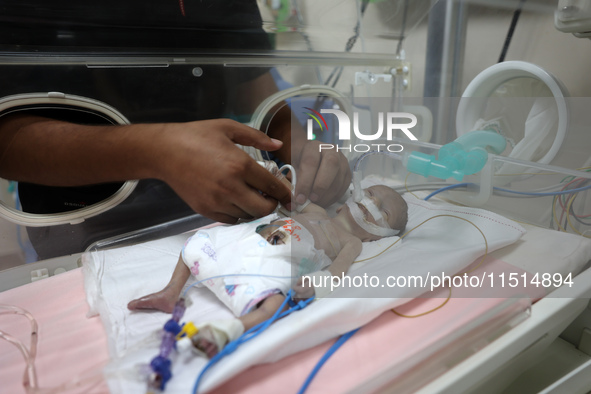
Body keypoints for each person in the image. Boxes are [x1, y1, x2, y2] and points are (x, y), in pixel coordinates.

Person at [0, 0, 352, 258]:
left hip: (222, 211)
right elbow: (7, 140)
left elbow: (254, 85)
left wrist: (302, 146)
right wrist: (157, 151)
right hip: (88, 219)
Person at [127, 183, 408, 358]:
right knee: (198, 243)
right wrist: (274, 176)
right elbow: (290, 194)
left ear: (379, 235)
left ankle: (226, 331)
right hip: (250, 239)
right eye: (371, 193)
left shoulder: (353, 242)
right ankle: (170, 292)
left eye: (384, 212)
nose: (371, 203)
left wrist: (314, 285)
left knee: (274, 306)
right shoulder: (320, 211)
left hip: (279, 259)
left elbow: (337, 273)